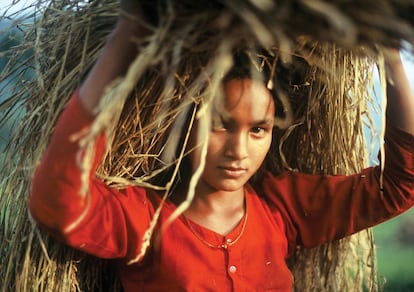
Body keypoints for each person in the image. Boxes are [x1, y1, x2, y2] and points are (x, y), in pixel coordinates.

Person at [29, 1, 414, 291]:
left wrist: (392, 58)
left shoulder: (282, 210)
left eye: (258, 130)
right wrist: (127, 37)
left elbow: (401, 184)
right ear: (181, 125)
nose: (238, 151)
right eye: (219, 126)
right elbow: (58, 201)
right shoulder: (144, 221)